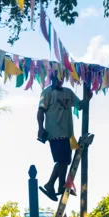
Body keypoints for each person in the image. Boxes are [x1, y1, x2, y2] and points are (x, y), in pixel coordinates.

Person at [37, 73, 91, 201]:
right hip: (54, 132)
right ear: (52, 78)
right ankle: (56, 185)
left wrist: (88, 98)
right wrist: (40, 127)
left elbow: (80, 106)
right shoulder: (47, 92)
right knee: (62, 160)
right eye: (56, 78)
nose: (59, 81)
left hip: (66, 133)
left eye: (61, 78)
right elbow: (40, 111)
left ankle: (54, 185)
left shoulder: (68, 92)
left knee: (65, 161)